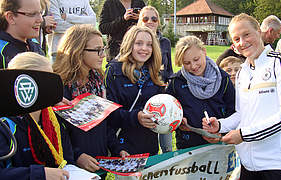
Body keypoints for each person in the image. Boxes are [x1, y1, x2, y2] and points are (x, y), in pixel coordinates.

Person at [203, 13, 281, 180]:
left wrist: (243, 135)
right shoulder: (242, 72)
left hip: (280, 164)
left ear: (259, 31)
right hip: (249, 165)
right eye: (236, 39)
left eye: (246, 34)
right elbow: (242, 114)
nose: (242, 42)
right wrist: (220, 125)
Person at [53, 24, 129, 173]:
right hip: (72, 168)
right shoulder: (60, 87)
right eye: (97, 50)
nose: (103, 55)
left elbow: (104, 123)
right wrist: (77, 156)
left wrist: (117, 149)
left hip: (99, 163)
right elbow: (56, 132)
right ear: (78, 51)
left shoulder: (98, 81)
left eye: (103, 49)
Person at [0, 52, 74, 180]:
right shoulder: (6, 125)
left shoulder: (52, 118)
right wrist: (40, 174)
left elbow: (65, 155)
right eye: (43, 82)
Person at [166, 35, 235, 150]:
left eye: (196, 59)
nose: (193, 66)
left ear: (204, 51)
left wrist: (221, 132)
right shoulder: (176, 82)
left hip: (219, 144)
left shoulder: (223, 78)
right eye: (186, 63)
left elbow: (233, 111)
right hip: (187, 146)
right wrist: (178, 120)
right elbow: (167, 110)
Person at [105, 25, 164, 156]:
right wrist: (136, 117)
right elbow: (109, 114)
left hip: (150, 147)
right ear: (129, 44)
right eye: (138, 43)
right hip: (123, 147)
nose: (144, 48)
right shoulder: (114, 72)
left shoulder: (155, 73)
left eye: (149, 45)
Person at [137, 5, 173, 153]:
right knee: (146, 141)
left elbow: (169, 70)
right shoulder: (135, 42)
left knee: (166, 143)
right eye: (145, 18)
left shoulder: (165, 42)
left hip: (163, 95)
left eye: (154, 18)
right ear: (140, 21)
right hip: (143, 96)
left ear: (158, 22)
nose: (150, 21)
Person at [0, 0, 44, 69]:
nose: (40, 19)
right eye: (32, 14)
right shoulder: (2, 51)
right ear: (10, 17)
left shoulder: (34, 43)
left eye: (41, 12)